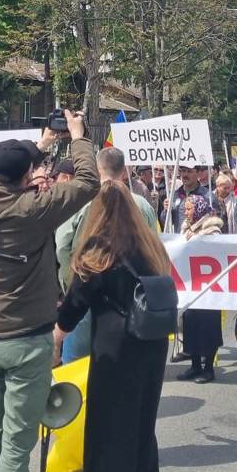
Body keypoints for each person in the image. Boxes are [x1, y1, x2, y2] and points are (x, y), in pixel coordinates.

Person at [0, 110, 99, 472]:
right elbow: (89, 181)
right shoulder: (33, 209)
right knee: (17, 443)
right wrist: (77, 134)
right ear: (26, 176)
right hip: (26, 339)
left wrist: (39, 147)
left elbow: (0, 173)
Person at [54, 183, 173, 472]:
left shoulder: (100, 250)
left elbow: (75, 303)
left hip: (115, 344)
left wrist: (56, 339)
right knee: (143, 419)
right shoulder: (151, 247)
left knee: (110, 421)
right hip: (152, 341)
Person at [55, 147, 158, 364]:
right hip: (130, 298)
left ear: (96, 168)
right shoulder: (142, 205)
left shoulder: (80, 201)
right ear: (123, 171)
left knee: (75, 363)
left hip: (85, 287)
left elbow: (62, 244)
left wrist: (70, 282)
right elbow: (152, 248)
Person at [177, 193, 224, 384]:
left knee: (208, 327)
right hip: (191, 286)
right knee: (191, 325)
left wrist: (194, 240)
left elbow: (213, 250)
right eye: (185, 208)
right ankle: (195, 365)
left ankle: (208, 368)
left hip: (209, 287)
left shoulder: (212, 229)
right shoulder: (185, 228)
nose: (186, 212)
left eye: (189, 208)